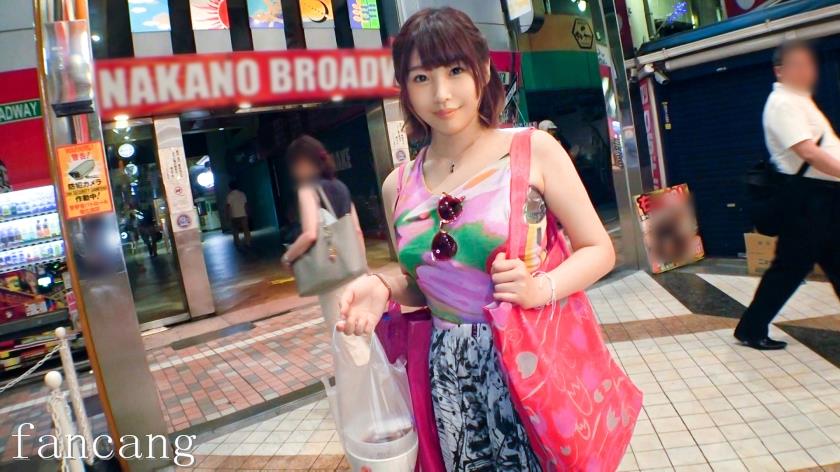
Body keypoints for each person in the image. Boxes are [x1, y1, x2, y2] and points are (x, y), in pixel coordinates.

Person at [336, 8, 616, 470]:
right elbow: (421, 283)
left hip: (527, 360)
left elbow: (599, 249)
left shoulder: (533, 150)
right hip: (448, 374)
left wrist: (538, 288)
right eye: (422, 77)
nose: (441, 94)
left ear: (483, 70)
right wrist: (382, 286)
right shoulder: (397, 185)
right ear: (404, 87)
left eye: (455, 70)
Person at [735, 41, 840, 350]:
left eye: (809, 64)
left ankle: (751, 327)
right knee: (790, 267)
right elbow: (807, 151)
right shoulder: (782, 103)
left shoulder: (799, 100)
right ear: (779, 71)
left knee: (832, 260)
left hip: (823, 196)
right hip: (807, 199)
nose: (807, 70)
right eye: (798, 64)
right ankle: (751, 328)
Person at [280, 136, 369, 360]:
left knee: (347, 341)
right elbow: (357, 231)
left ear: (303, 163)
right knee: (364, 334)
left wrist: (288, 257)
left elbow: (310, 234)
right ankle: (378, 380)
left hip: (333, 277)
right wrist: (363, 269)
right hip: (355, 272)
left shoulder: (308, 190)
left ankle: (360, 382)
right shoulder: (341, 187)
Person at [226, 180, 251, 247]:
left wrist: (228, 215)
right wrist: (248, 213)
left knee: (235, 230)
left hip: (234, 215)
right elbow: (246, 205)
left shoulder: (229, 196)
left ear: (230, 187)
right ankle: (248, 242)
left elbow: (228, 206)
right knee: (246, 229)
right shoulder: (242, 194)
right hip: (243, 214)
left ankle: (237, 243)